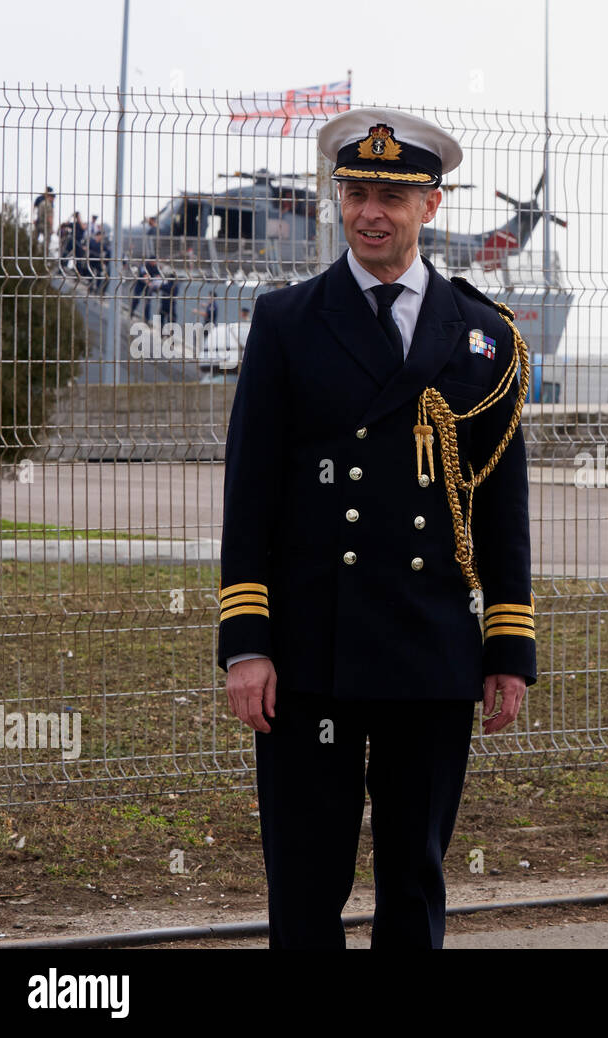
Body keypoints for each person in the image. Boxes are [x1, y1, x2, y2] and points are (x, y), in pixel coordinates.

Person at [218, 107, 536, 950]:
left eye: (393, 196)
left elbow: (502, 500)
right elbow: (248, 491)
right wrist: (246, 643)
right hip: (311, 649)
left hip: (430, 652)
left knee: (414, 881)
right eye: (356, 192)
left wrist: (507, 647)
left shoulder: (484, 335)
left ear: (432, 205)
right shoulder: (287, 320)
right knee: (305, 882)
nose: (371, 212)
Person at [32, 187, 55, 255]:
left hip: (38, 222)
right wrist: (51, 228)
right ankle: (43, 256)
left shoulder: (42, 202)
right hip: (44, 224)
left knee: (35, 240)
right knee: (46, 242)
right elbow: (49, 217)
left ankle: (34, 253)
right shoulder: (42, 200)